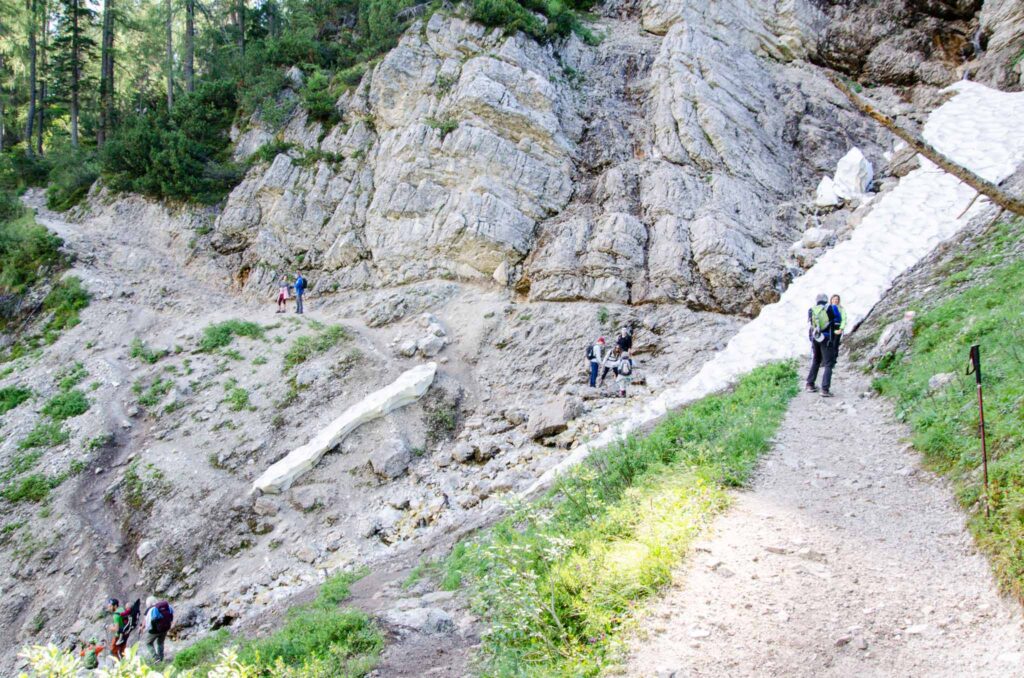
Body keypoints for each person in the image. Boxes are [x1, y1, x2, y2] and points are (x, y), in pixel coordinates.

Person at [806, 293, 841, 397]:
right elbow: (837, 321)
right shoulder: (831, 308)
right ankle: (825, 389)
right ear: (826, 300)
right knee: (829, 364)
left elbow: (810, 325)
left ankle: (810, 384)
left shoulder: (811, 309)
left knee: (816, 360)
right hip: (826, 338)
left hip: (815, 338)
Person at [140, 596, 174, 663]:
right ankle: (161, 658)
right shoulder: (166, 607)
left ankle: (156, 658)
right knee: (160, 643)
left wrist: (142, 628)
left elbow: (145, 622)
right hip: (165, 628)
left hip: (154, 630)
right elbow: (171, 616)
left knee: (148, 643)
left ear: (148, 603)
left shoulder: (149, 610)